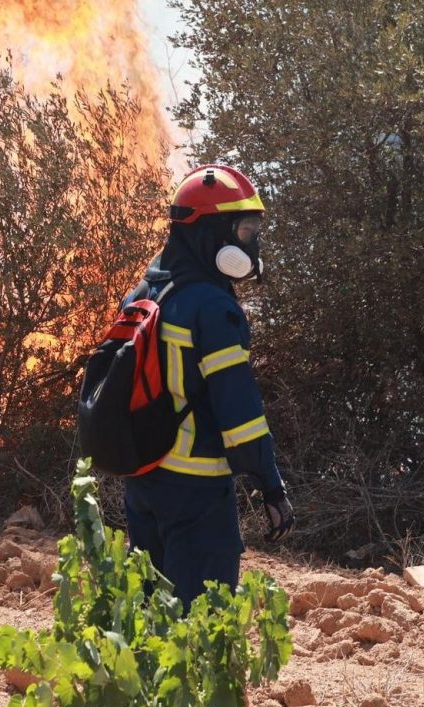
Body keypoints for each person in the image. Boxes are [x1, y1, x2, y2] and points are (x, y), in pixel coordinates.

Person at [122, 164, 295, 609]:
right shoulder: (215, 310)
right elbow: (241, 415)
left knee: (149, 611)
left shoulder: (145, 292)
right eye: (245, 229)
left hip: (143, 480)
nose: (252, 242)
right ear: (212, 232)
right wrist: (271, 488)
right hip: (195, 490)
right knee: (200, 619)